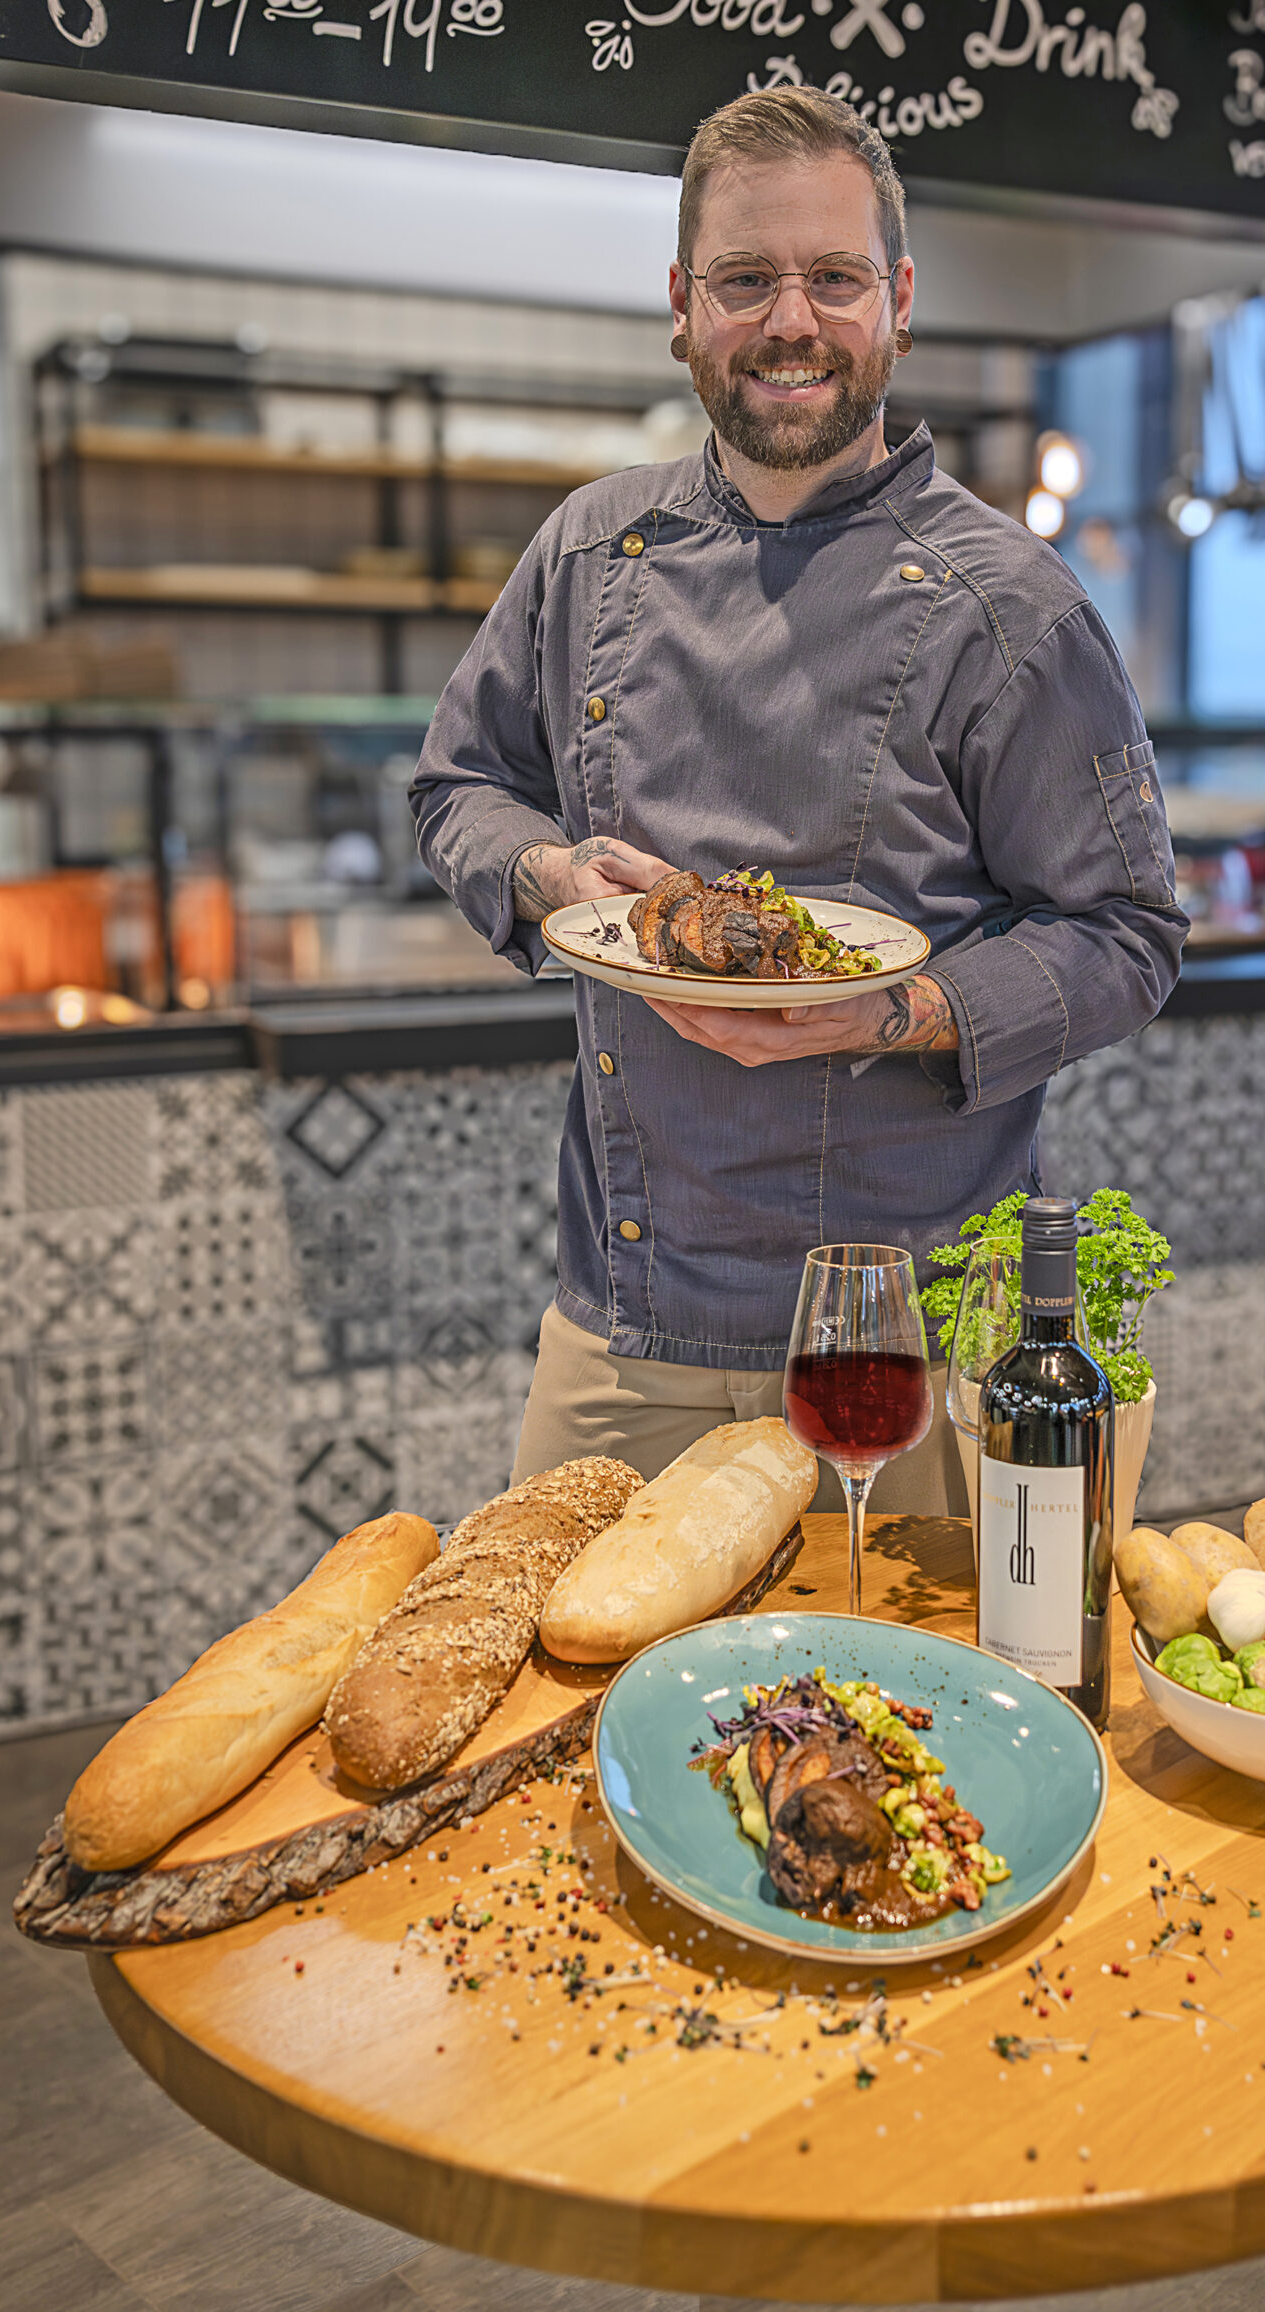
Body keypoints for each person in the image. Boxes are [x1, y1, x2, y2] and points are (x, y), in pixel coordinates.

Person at [411, 85, 1187, 1510]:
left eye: (832, 279)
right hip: (622, 1331)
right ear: (681, 304)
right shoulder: (589, 550)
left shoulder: (1010, 607)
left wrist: (889, 1009)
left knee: (913, 1723)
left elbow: (1129, 933)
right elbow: (460, 784)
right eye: (746, 279)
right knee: (564, 1710)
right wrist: (553, 882)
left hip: (907, 1349)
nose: (791, 322)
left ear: (897, 300)